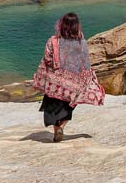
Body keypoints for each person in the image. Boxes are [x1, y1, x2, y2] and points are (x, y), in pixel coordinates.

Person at [30, 12, 104, 142]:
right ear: (76, 26)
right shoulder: (81, 43)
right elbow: (85, 63)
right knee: (69, 106)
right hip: (73, 84)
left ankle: (57, 129)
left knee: (52, 107)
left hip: (55, 83)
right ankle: (62, 127)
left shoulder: (53, 41)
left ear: (61, 25)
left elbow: (48, 59)